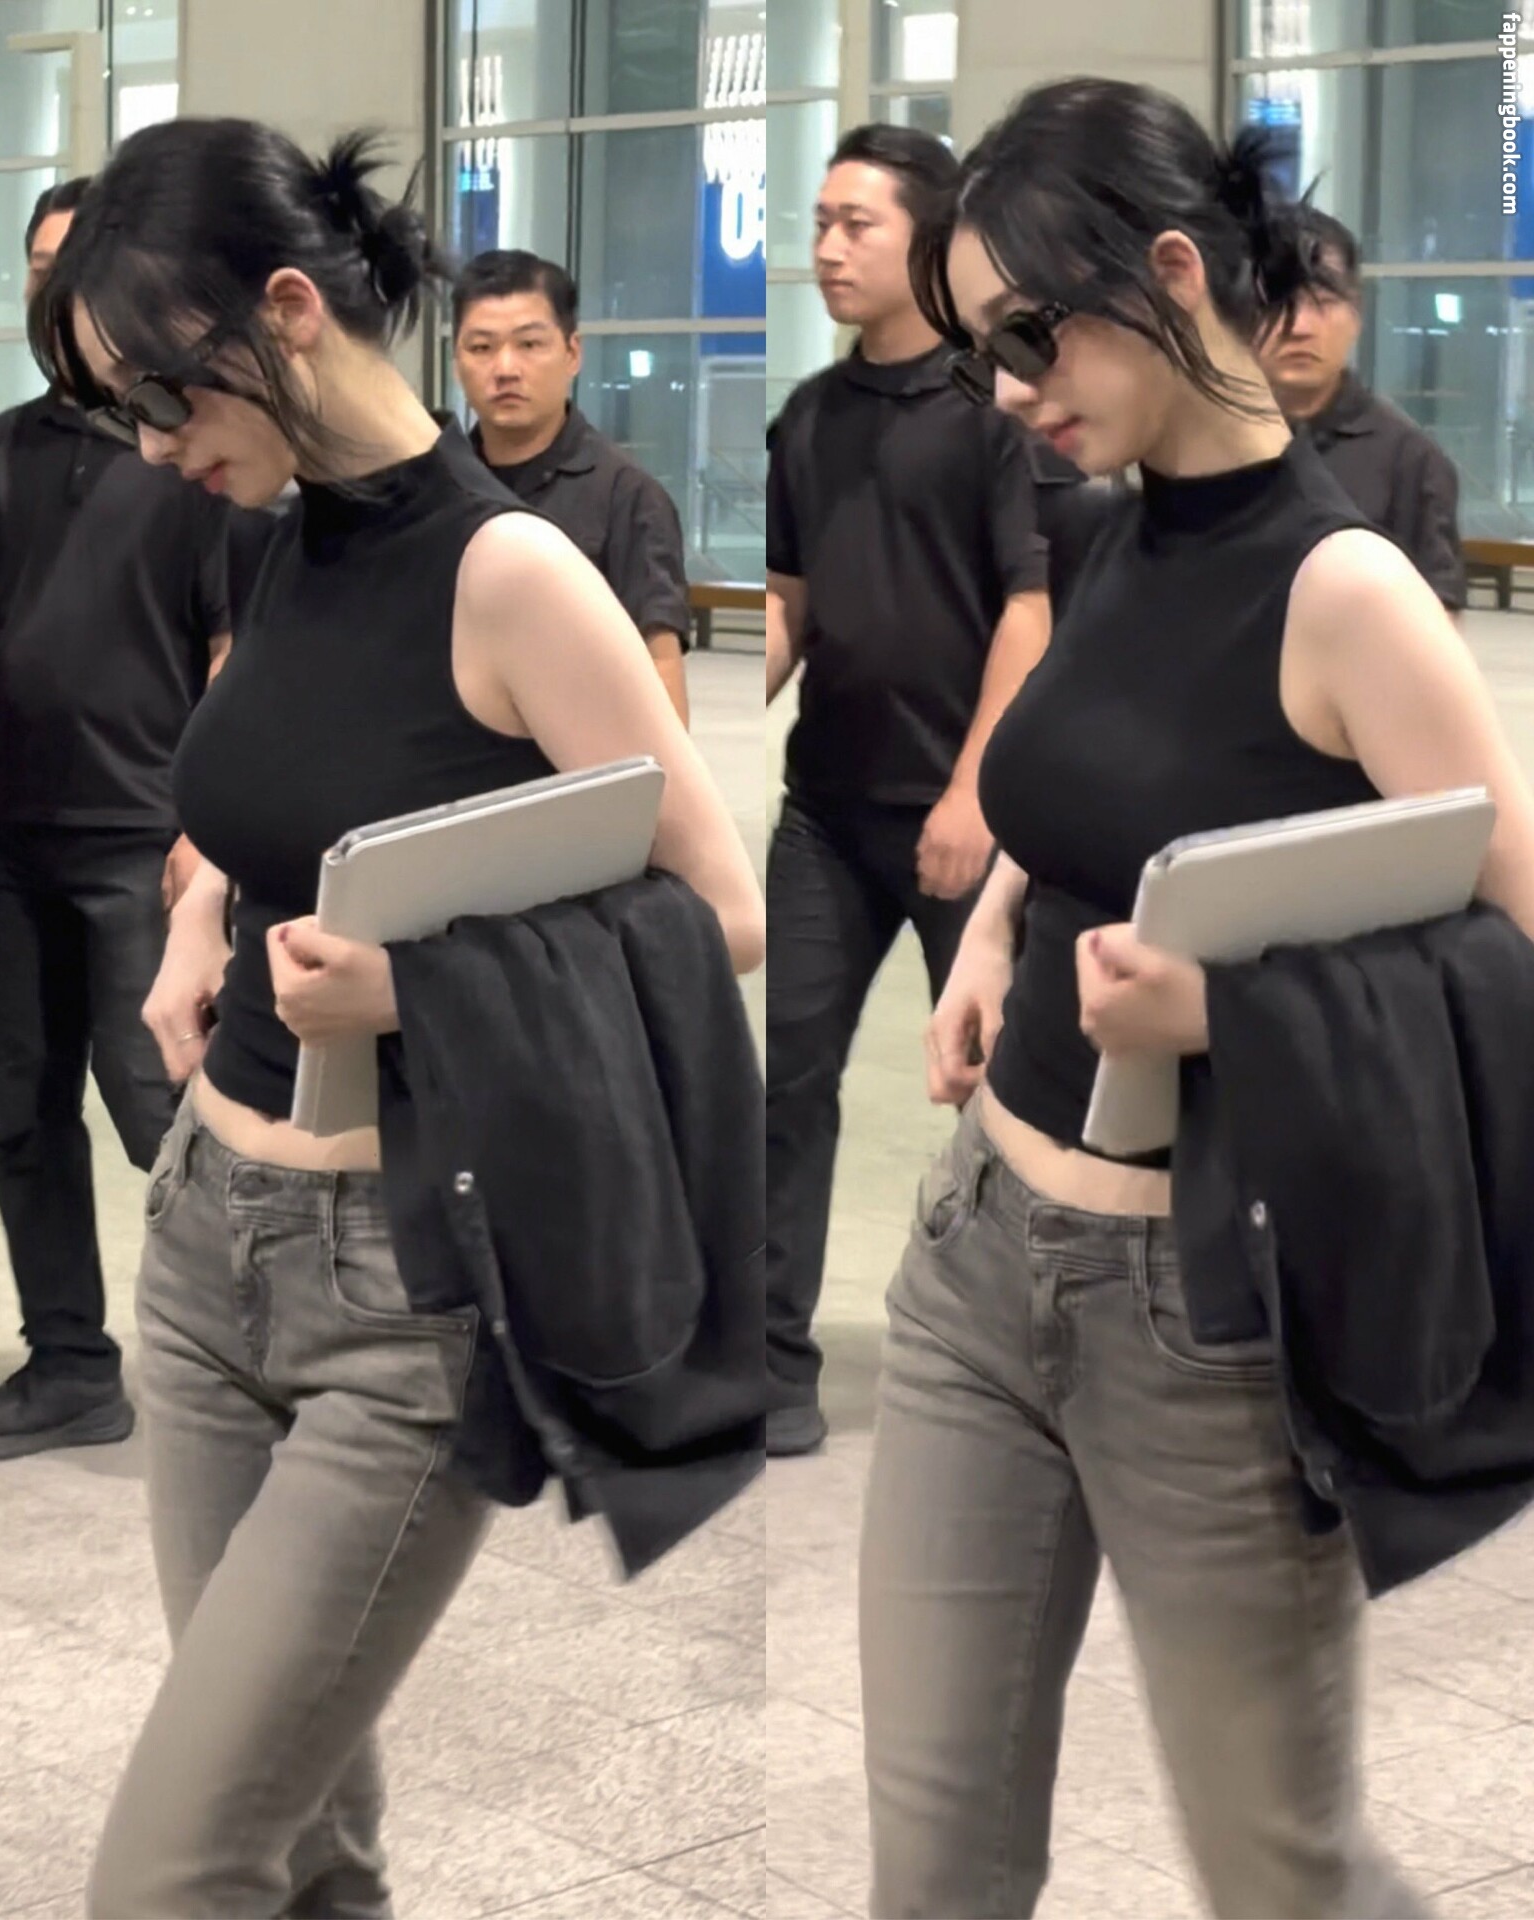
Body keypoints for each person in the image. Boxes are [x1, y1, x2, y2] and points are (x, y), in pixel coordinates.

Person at [31, 118, 763, 1918]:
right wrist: (199, 910)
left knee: (174, 1867)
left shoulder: (510, 574)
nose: (154, 445)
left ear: (285, 310)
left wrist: (420, 981)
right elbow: (291, 795)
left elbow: (717, 914)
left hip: (397, 1300)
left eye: (160, 394)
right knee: (302, 1847)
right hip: (204, 1251)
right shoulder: (284, 536)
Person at [858, 78, 1534, 1920]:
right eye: (982, 349)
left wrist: (1232, 1015)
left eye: (1029, 336)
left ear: (1168, 272)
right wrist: (998, 923)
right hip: (978, 1263)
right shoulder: (1111, 526)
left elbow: (1508, 963)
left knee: (1283, 1875)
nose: (1010, 391)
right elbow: (1098, 784)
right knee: (932, 1867)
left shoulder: (1345, 592)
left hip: (1203, 1325)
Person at [764, 124, 1057, 1457]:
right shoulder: (808, 418)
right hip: (824, 815)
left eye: (856, 224)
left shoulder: (994, 412)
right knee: (787, 1082)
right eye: (819, 222)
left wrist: (973, 798)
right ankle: (773, 1359)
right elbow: (789, 600)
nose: (828, 248)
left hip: (966, 818)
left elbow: (1028, 610)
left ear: (927, 240)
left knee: (1003, 1089)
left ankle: (1020, 1353)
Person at [0, 176, 236, 1460]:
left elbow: (233, 649)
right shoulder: (5, 450)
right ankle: (71, 1366)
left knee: (164, 1106)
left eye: (74, 263)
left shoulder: (184, 453)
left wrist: (209, 824)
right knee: (17, 1109)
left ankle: (254, 1354)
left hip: (142, 837)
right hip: (9, 840)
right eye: (38, 265)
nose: (55, 285)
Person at [453, 248, 693, 722]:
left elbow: (659, 664)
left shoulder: (627, 495)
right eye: (481, 348)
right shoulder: (438, 487)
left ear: (572, 354)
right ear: (456, 359)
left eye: (529, 344)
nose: (505, 368)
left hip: (574, 756)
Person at [1256, 205, 1467, 613]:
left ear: (1357, 315)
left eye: (1322, 302)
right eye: (1278, 303)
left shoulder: (1410, 462)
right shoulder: (1203, 445)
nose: (1300, 326)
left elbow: (1439, 621)